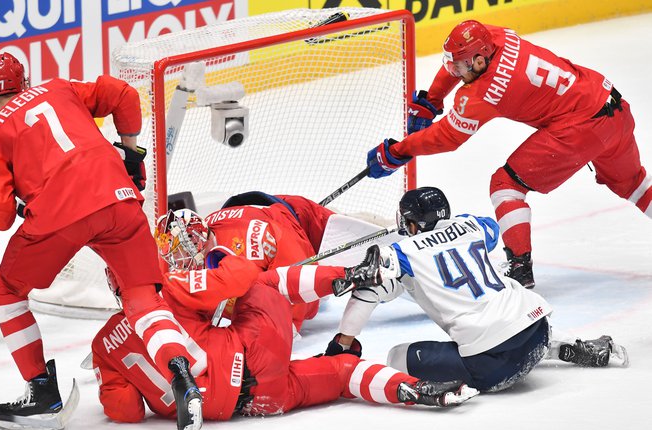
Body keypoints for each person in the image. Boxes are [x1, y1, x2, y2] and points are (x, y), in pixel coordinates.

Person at [92, 208, 477, 425]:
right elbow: (242, 276)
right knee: (262, 284)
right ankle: (350, 278)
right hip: (253, 357)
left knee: (340, 372)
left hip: (248, 404)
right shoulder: (170, 285)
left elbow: (124, 411)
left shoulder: (103, 343)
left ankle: (417, 391)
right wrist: (218, 259)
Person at [0, 53, 201, 430]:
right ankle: (182, 372)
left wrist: (22, 197)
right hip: (119, 198)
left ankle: (42, 393)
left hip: (60, 215)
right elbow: (122, 94)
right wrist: (132, 153)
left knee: (4, 289)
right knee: (143, 299)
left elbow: (0, 216)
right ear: (24, 82)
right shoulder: (58, 87)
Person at [365, 20, 652, 288]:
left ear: (479, 61)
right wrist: (433, 99)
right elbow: (459, 59)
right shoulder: (495, 36)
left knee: (506, 186)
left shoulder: (483, 93)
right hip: (612, 104)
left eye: (461, 66)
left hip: (580, 128)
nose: (455, 71)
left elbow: (448, 137)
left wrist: (398, 151)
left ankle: (520, 268)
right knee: (635, 185)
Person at [327, 187, 629, 393]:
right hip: (538, 328)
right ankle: (567, 345)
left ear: (413, 225)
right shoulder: (474, 226)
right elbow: (489, 228)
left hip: (491, 362)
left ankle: (439, 388)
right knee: (505, 302)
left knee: (396, 357)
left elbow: (369, 284)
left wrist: (343, 343)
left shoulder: (402, 252)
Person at [202, 191, 336, 332]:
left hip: (303, 217)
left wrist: (287, 329)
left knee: (344, 262)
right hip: (276, 213)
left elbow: (298, 277)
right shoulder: (207, 241)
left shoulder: (258, 239)